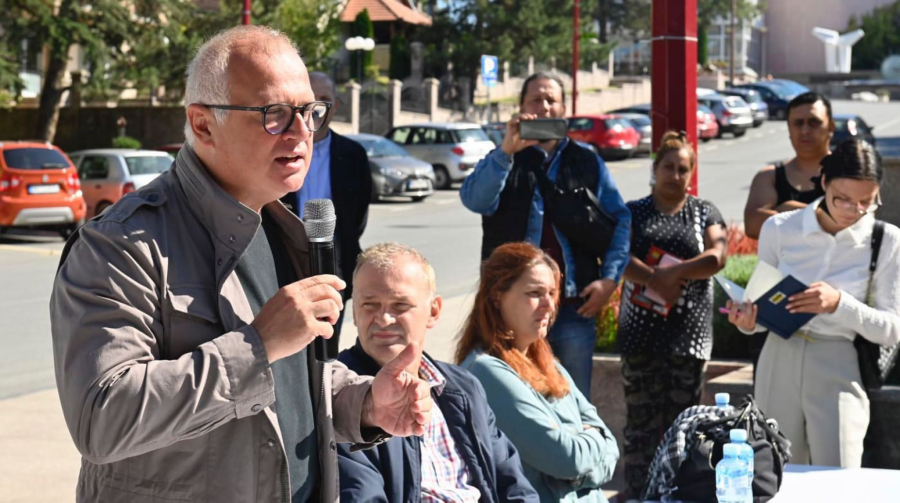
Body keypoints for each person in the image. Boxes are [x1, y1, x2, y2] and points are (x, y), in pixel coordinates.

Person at [49, 26, 433, 502]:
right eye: (274, 114)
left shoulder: (286, 229)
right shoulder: (121, 243)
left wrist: (368, 402)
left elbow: (294, 378)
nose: (301, 133)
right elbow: (102, 418)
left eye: (310, 112)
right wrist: (256, 346)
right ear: (204, 124)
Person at [728, 139, 900, 467]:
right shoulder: (780, 229)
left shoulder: (886, 239)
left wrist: (839, 304)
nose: (856, 211)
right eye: (843, 200)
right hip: (778, 356)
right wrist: (747, 321)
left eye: (868, 201)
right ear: (823, 184)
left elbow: (893, 329)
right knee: (775, 474)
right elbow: (759, 308)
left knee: (838, 475)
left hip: (839, 360)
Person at [460, 72, 632, 396]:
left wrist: (610, 280)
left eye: (551, 100)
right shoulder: (504, 157)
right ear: (522, 107)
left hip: (571, 307)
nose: (544, 107)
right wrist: (506, 151)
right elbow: (474, 199)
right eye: (535, 99)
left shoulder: (586, 160)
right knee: (507, 401)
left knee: (570, 397)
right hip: (508, 310)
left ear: (564, 108)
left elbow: (621, 221)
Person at [336, 242, 539, 502]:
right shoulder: (342, 400)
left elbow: (513, 484)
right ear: (354, 310)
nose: (384, 319)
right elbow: (361, 494)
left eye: (400, 305)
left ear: (433, 311)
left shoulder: (464, 388)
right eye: (369, 305)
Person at [455, 242, 619, 503]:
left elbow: (611, 444)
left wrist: (581, 455)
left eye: (552, 293)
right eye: (534, 293)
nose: (548, 305)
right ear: (497, 296)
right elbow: (566, 458)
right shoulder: (486, 371)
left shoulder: (545, 360)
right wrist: (588, 446)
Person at [615, 131, 727, 500]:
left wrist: (669, 276)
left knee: (686, 428)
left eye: (683, 169)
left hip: (688, 337)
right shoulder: (633, 211)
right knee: (641, 427)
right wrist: (651, 279)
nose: (674, 175)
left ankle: (679, 494)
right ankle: (637, 495)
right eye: (668, 167)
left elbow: (716, 257)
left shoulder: (704, 211)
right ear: (655, 168)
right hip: (641, 335)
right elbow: (616, 257)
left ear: (691, 174)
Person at [280, 72, 372, 338]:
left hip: (335, 267)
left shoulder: (353, 155)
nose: (317, 107)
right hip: (286, 264)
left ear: (335, 106)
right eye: (312, 100)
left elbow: (358, 218)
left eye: (325, 100)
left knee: (326, 343)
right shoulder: (280, 148)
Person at [743, 92, 835, 240]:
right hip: (782, 264)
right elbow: (753, 226)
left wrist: (785, 212)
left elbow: (855, 224)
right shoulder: (769, 178)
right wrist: (823, 217)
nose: (805, 131)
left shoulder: (848, 174)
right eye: (798, 123)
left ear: (830, 127)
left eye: (814, 122)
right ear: (789, 128)